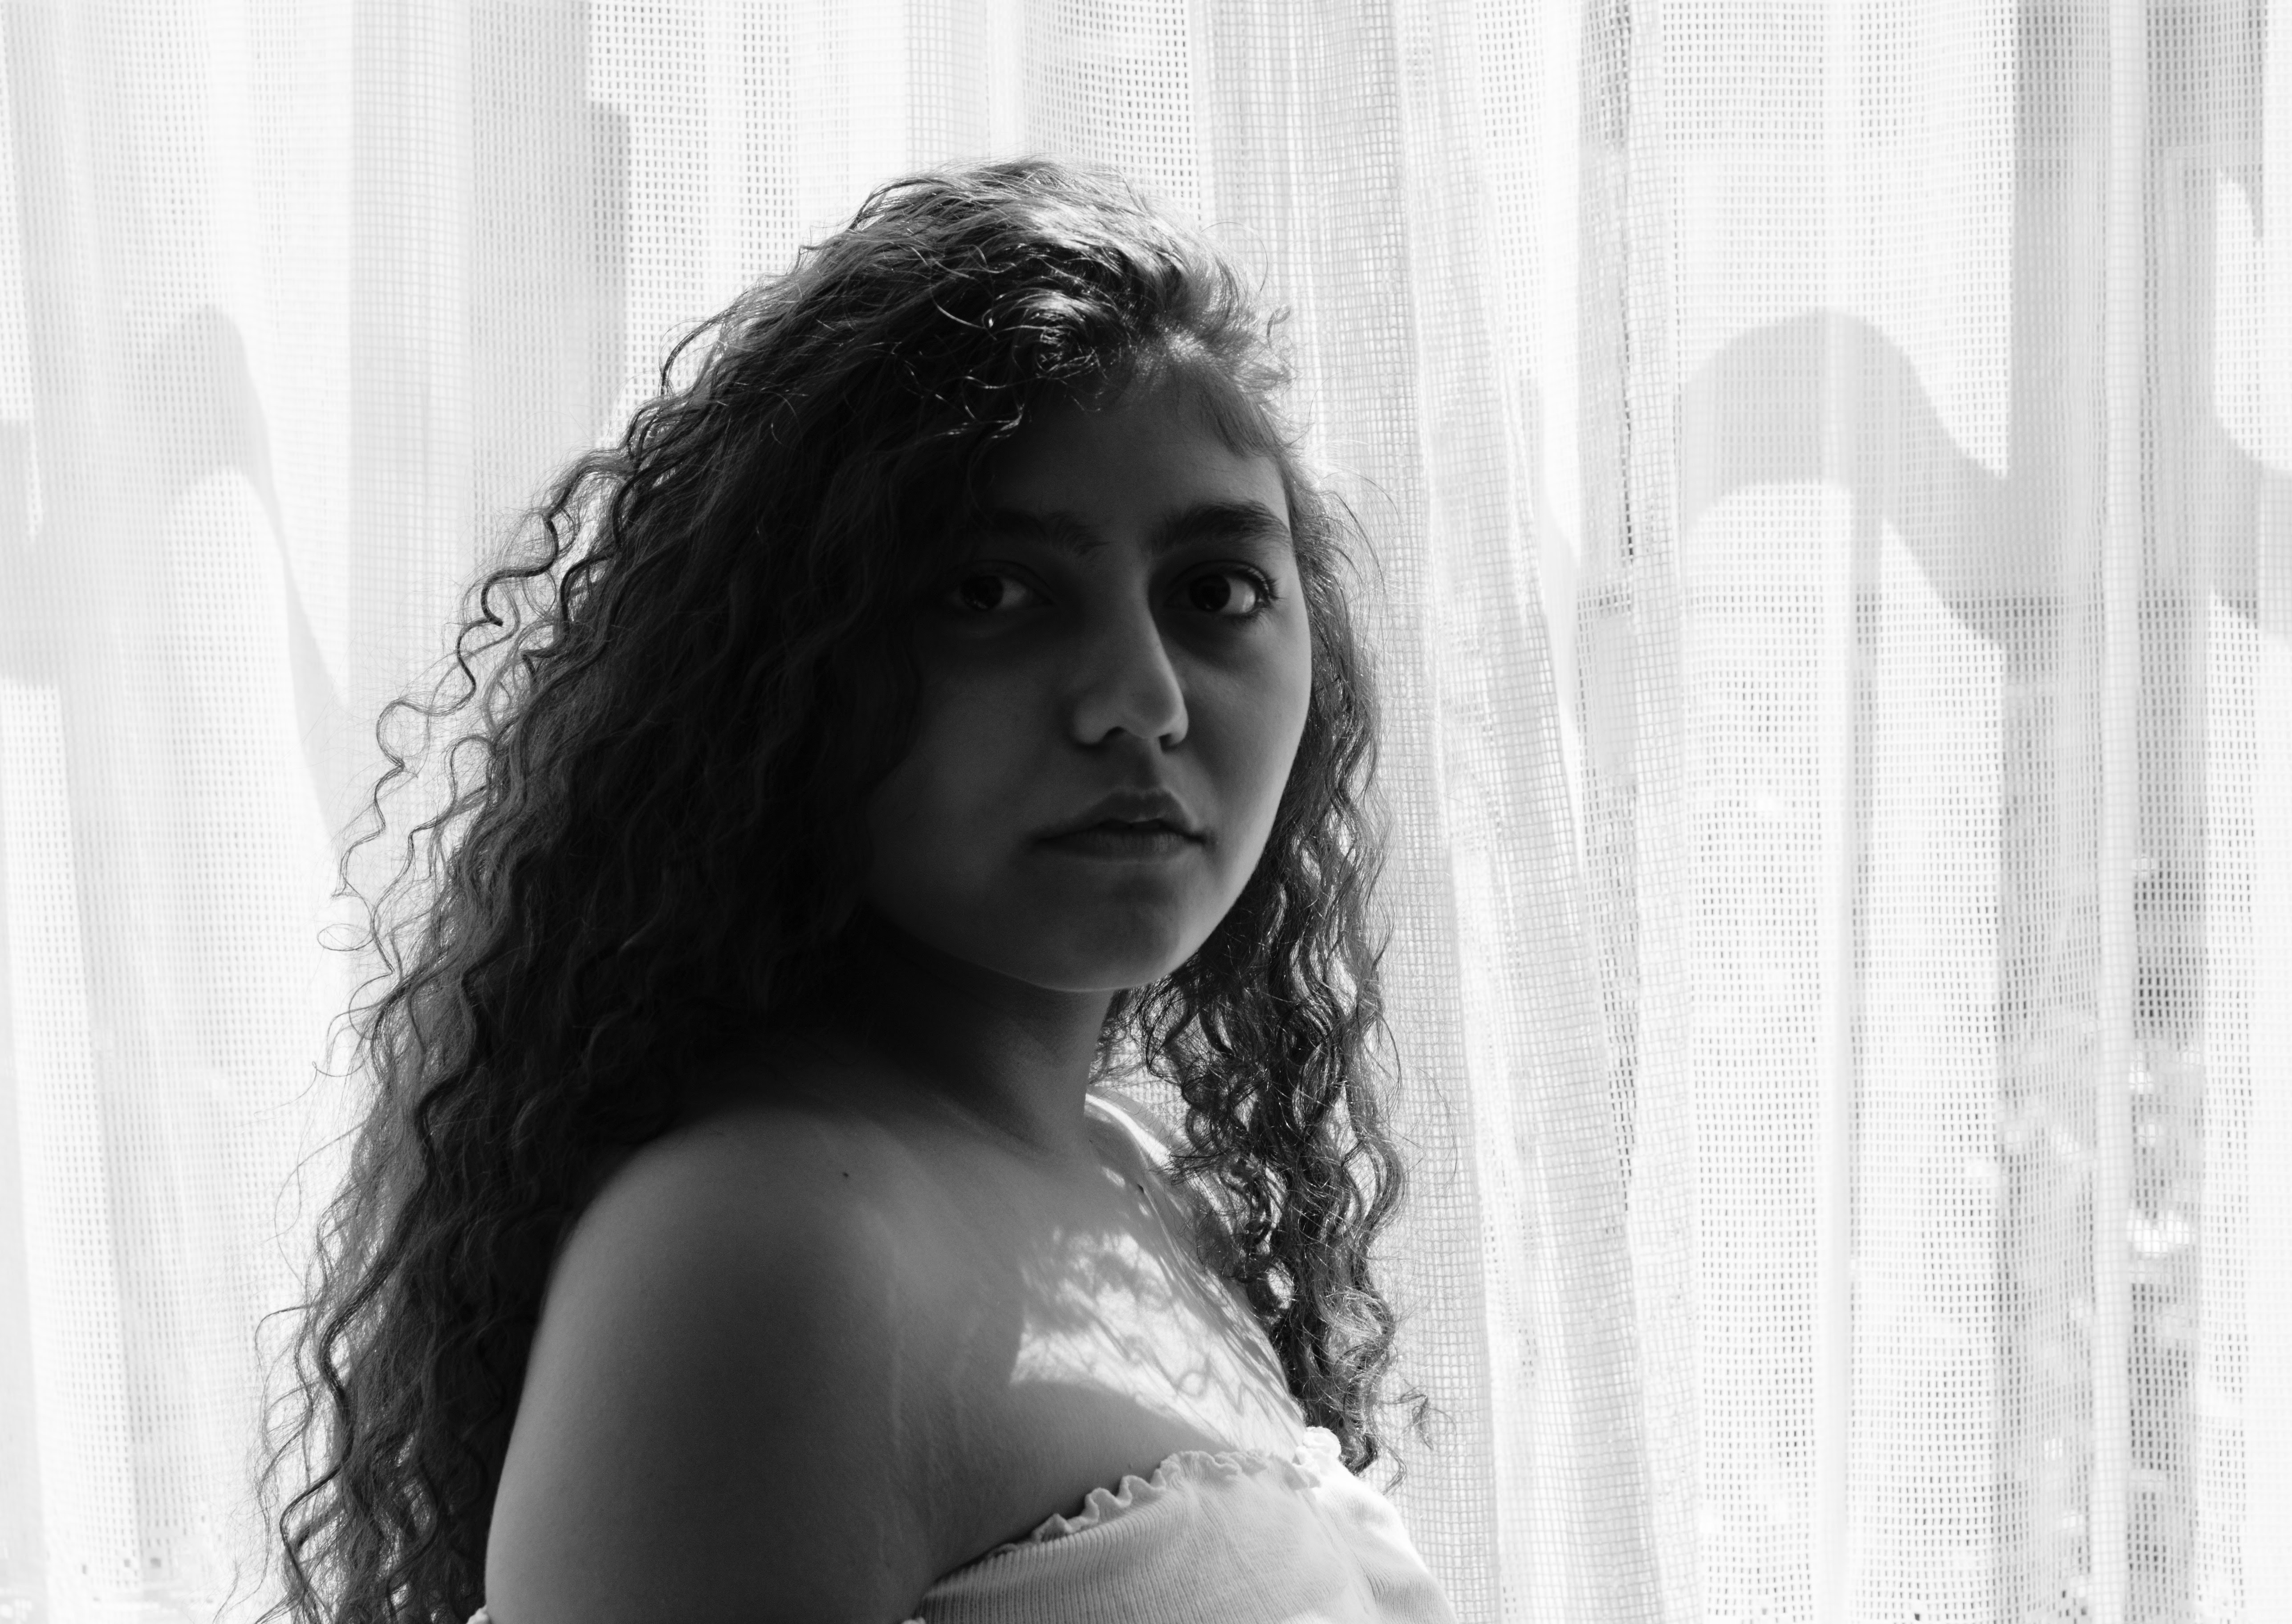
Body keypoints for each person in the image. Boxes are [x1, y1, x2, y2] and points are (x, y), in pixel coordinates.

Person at [253, 156, 1452, 1624]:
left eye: (1217, 592)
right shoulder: (771, 1248)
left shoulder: (1127, 1178)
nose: (1141, 701)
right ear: (781, 672)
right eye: (990, 592)